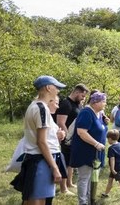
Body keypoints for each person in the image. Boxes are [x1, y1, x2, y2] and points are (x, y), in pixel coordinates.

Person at [11, 75, 67, 205]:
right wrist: (54, 167)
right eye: (56, 87)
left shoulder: (35, 106)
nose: (58, 90)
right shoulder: (42, 109)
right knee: (38, 202)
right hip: (41, 161)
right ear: (48, 88)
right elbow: (41, 142)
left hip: (38, 160)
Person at [70, 92, 108, 205]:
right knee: (84, 178)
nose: (105, 104)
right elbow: (81, 132)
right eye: (103, 101)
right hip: (85, 152)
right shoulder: (86, 112)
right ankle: (83, 202)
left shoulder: (99, 113)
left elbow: (99, 129)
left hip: (96, 153)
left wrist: (105, 123)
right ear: (95, 102)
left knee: (91, 178)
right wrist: (96, 144)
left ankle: (90, 200)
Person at [55, 83, 89, 193]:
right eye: (82, 96)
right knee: (65, 162)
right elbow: (60, 122)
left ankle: (69, 183)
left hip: (75, 139)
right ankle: (63, 188)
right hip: (66, 139)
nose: (83, 98)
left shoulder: (78, 104)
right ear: (77, 92)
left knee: (71, 162)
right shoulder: (66, 104)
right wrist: (67, 138)